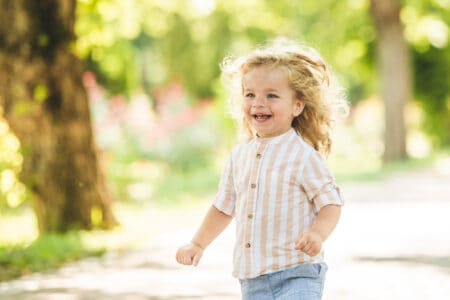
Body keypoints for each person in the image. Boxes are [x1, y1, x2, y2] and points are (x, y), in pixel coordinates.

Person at [176, 38, 348, 300]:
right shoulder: (239, 156)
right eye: (250, 94)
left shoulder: (303, 156)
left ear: (297, 105)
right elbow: (223, 206)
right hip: (252, 281)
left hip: (297, 273)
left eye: (272, 95)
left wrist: (317, 233)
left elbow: (330, 203)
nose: (258, 103)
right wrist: (198, 242)